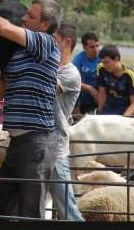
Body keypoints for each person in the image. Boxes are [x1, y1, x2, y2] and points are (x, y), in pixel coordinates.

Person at [0, 0, 61, 220]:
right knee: (2, 207)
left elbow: (3, 27)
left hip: (36, 141)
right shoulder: (18, 54)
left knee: (31, 212)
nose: (23, 18)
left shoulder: (46, 43)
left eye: (31, 16)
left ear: (44, 25)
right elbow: (3, 91)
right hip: (18, 141)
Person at [49, 20, 84, 221]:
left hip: (56, 146)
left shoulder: (70, 73)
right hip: (42, 143)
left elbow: (44, 85)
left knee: (67, 208)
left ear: (66, 42)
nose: (49, 43)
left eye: (53, 39)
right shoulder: (53, 67)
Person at [96, 44, 134, 116]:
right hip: (108, 108)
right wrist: (99, 112)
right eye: (102, 62)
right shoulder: (101, 68)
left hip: (125, 111)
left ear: (116, 59)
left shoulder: (129, 75)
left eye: (106, 62)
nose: (104, 65)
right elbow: (102, 93)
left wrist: (122, 119)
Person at [72, 32, 101, 114]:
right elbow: (72, 80)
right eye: (92, 47)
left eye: (97, 46)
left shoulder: (103, 56)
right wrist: (90, 89)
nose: (96, 49)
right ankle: (77, 117)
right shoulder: (78, 59)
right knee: (73, 88)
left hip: (101, 91)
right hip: (83, 93)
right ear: (84, 47)